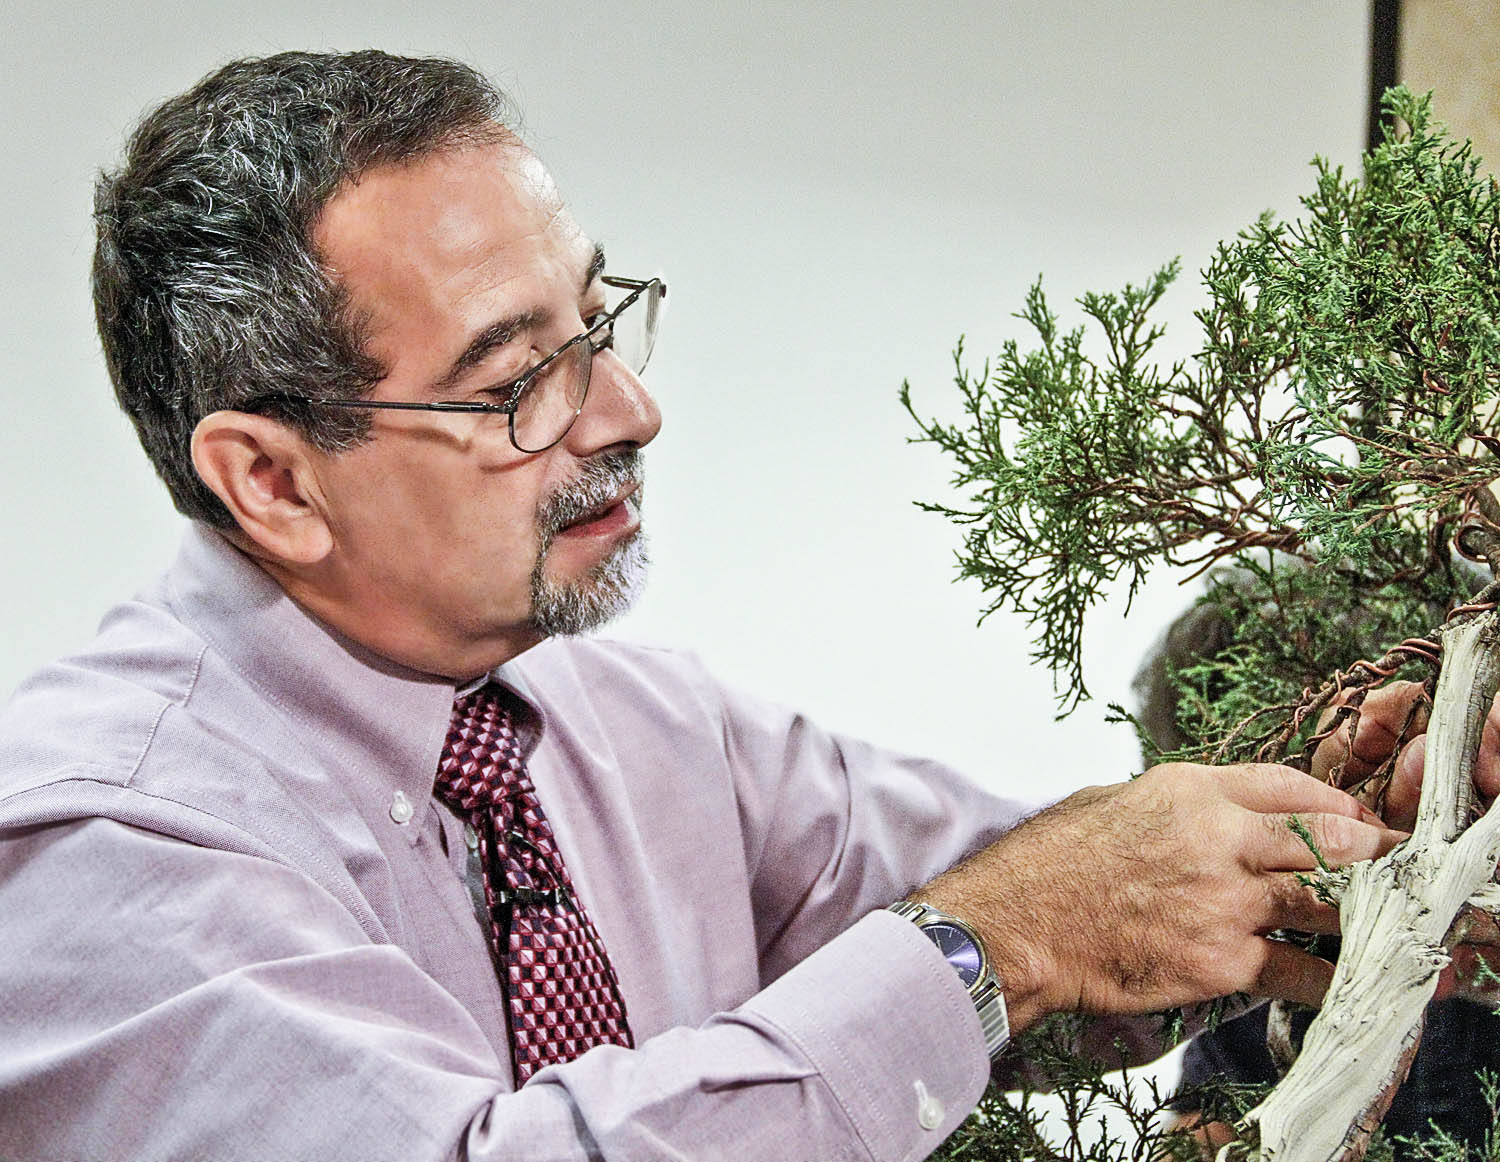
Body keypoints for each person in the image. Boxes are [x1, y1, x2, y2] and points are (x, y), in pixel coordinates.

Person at [0, 51, 1416, 1161]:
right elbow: (998, 928)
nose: (630, 410)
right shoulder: (99, 850)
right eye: (516, 380)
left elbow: (1043, 893)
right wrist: (995, 942)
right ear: (272, 481)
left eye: (599, 322)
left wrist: (1346, 835)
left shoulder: (633, 718)